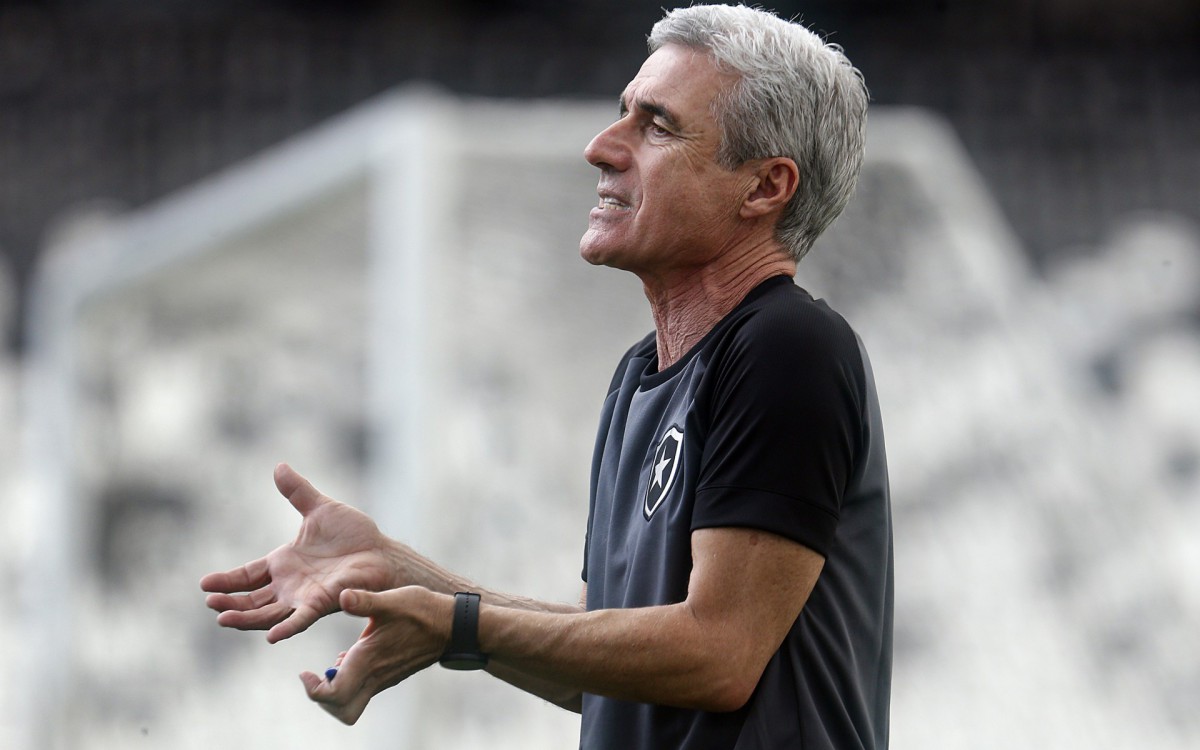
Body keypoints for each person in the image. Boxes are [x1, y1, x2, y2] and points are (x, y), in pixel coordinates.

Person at [200, 4, 892, 748]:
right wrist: (405, 577)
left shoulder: (788, 346)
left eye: (657, 126)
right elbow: (601, 659)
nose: (601, 147)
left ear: (764, 188)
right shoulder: (639, 379)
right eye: (621, 113)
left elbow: (718, 656)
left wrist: (458, 625)